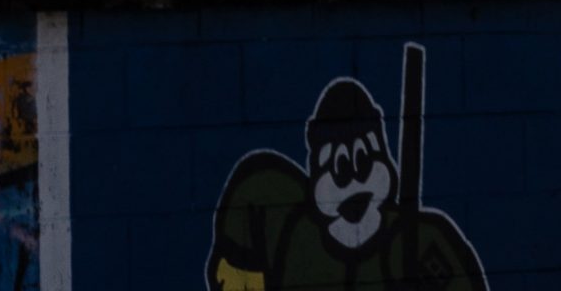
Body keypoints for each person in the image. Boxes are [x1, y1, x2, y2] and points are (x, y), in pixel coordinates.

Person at [208, 77, 487, 291]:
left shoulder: (419, 242)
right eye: (339, 167)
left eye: (364, 160)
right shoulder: (291, 232)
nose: (354, 179)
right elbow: (252, 191)